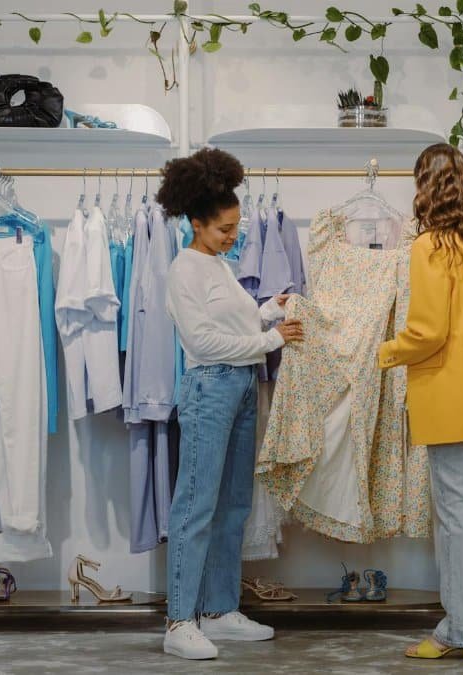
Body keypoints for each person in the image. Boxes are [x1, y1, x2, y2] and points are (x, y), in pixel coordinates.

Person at [157, 148, 304, 661]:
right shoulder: (184, 271)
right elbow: (202, 343)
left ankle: (219, 611)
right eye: (223, 228)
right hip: (210, 389)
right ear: (196, 223)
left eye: (236, 227)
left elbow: (233, 325)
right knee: (196, 507)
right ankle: (180, 620)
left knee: (234, 504)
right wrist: (272, 340)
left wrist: (267, 311)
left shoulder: (218, 266)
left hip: (241, 388)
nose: (233, 235)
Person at [379, 143, 463, 660]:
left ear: (426, 188)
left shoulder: (429, 246)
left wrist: (386, 351)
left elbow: (428, 332)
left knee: (455, 517)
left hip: (447, 398)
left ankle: (462, 629)